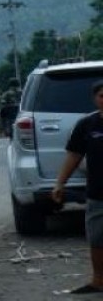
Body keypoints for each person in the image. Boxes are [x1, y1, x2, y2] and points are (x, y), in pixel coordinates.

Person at [52, 79, 103, 294]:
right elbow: (74, 155)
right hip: (98, 193)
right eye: (102, 95)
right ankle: (99, 281)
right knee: (97, 238)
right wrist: (60, 183)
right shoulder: (87, 125)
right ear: (95, 99)